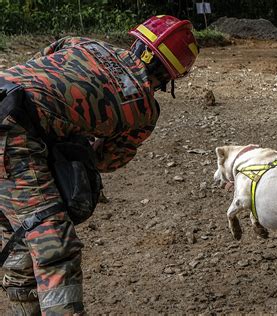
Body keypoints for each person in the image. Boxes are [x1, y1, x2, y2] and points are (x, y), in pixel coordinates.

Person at [0, 15, 198, 315]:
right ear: (173, 76)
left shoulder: (83, 43)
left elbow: (38, 70)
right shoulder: (144, 108)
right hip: (12, 136)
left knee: (20, 234)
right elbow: (105, 159)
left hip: (7, 104)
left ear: (137, 42)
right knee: (54, 247)